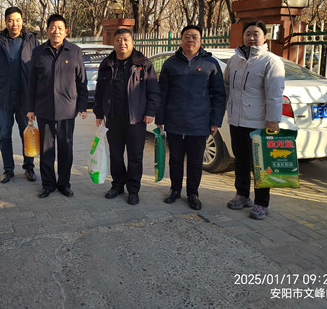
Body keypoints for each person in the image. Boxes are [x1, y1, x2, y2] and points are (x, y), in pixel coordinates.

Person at [156, 25, 226, 210]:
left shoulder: (211, 64)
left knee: (195, 162)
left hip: (199, 122)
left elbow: (219, 95)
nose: (191, 40)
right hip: (174, 120)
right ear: (181, 39)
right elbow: (162, 93)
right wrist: (160, 118)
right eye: (187, 36)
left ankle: (193, 193)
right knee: (175, 159)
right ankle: (175, 190)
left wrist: (215, 121)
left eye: (195, 37)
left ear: (200, 40)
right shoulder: (170, 63)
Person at [224, 21, 284, 220]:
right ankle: (242, 195)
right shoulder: (235, 60)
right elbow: (226, 87)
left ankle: (262, 203)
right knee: (240, 160)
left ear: (264, 37)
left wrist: (273, 120)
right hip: (236, 120)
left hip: (258, 123)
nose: (251, 37)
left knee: (261, 164)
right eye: (248, 33)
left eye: (255, 33)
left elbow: (274, 94)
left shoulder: (271, 61)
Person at [93, 29, 160, 205]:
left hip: (136, 118)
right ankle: (117, 185)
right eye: (118, 40)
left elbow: (153, 90)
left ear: (132, 42)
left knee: (135, 155)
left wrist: (150, 112)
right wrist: (99, 113)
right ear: (113, 43)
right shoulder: (107, 63)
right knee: (115, 154)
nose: (122, 43)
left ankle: (133, 189)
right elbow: (100, 90)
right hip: (113, 116)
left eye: (126, 40)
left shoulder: (143, 63)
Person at [27, 14, 88, 198]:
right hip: (44, 108)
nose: (56, 31)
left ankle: (64, 183)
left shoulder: (75, 51)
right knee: (46, 150)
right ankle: (48, 184)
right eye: (53, 27)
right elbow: (32, 82)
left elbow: (82, 81)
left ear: (66, 31)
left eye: (60, 28)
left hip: (67, 109)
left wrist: (82, 106)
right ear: (47, 30)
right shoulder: (38, 52)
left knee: (65, 149)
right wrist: (30, 108)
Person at [0, 7, 39, 184]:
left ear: (22, 21)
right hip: (4, 98)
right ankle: (8, 169)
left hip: (25, 98)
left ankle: (29, 167)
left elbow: (39, 69)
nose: (14, 24)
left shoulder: (31, 41)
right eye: (10, 20)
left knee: (27, 134)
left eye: (17, 20)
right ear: (6, 22)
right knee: (4, 135)